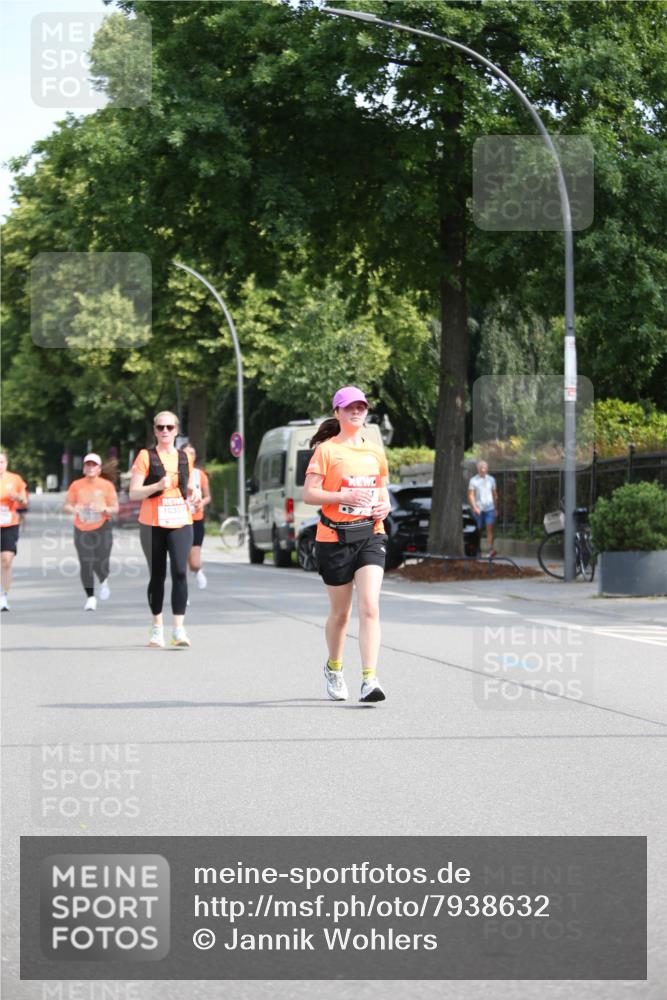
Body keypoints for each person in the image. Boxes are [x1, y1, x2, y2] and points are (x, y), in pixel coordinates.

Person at [303, 386, 391, 703]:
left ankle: (369, 679)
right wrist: (343, 496)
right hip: (334, 538)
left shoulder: (375, 452)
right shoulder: (326, 451)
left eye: (361, 407)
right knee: (341, 614)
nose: (356, 411)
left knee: (370, 607)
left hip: (371, 534)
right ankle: (334, 667)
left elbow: (382, 491)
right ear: (337, 412)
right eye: (350, 407)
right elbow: (309, 494)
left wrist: (385, 506)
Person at [129, 411, 201, 648]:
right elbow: (134, 493)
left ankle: (178, 630)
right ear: (155, 431)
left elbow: (190, 487)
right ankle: (157, 627)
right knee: (157, 575)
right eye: (160, 427)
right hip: (152, 523)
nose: (165, 431)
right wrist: (158, 485)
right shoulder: (145, 456)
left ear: (176, 430)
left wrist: (194, 495)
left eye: (169, 427)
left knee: (180, 572)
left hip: (180, 520)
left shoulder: (184, 457)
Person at [63, 453, 119, 610]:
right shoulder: (76, 485)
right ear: (84, 468)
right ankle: (90, 597)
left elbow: (115, 509)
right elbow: (66, 506)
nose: (90, 467)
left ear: (99, 469)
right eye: (88, 464)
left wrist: (103, 509)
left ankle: (103, 580)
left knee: (101, 561)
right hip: (82, 528)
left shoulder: (107, 485)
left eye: (94, 465)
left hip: (102, 527)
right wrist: (75, 509)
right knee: (86, 562)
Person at [0, 450, 28, 611]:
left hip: (9, 524)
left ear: (6, 463)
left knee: (6, 560)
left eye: (1, 462)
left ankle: (3, 597)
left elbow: (24, 501)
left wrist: (18, 498)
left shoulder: (15, 479)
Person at [184, 445, 211, 590]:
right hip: (179, 521)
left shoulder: (199, 475)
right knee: (181, 561)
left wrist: (201, 502)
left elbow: (207, 497)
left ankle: (197, 570)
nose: (190, 456)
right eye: (187, 453)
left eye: (192, 453)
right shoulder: (174, 473)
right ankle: (182, 593)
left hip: (196, 519)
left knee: (194, 563)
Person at [468, 460, 498, 557]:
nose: (483, 471)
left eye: (484, 469)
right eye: (481, 470)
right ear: (478, 470)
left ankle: (490, 549)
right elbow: (471, 495)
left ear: (487, 469)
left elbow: (494, 494)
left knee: (490, 528)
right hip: (478, 509)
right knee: (478, 529)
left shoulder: (491, 480)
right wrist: (474, 507)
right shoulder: (473, 480)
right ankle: (478, 549)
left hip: (490, 508)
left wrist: (496, 508)